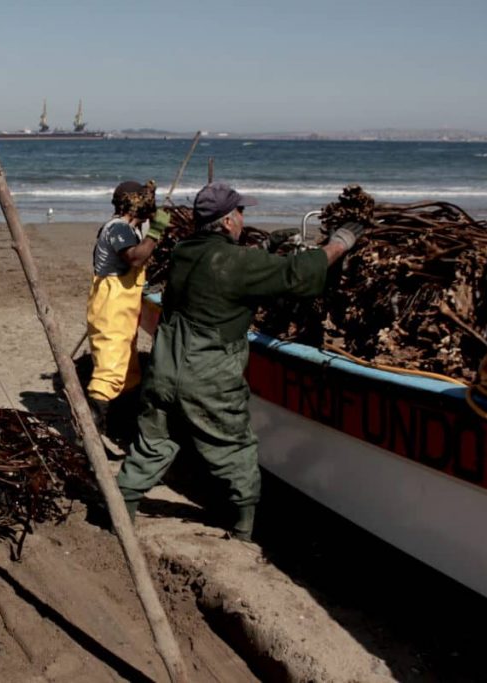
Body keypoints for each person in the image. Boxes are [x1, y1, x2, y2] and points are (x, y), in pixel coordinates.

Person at [115, 182, 365, 540]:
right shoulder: (238, 262)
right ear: (228, 220)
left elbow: (217, 268)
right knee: (234, 446)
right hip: (208, 372)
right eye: (241, 213)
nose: (244, 219)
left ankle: (121, 507)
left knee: (154, 440)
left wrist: (265, 247)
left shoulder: (184, 251)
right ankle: (243, 527)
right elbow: (299, 276)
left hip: (165, 366)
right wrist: (339, 242)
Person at [85, 180, 168, 427]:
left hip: (123, 309)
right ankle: (89, 436)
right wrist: (156, 231)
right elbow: (134, 258)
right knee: (109, 372)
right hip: (111, 307)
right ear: (132, 203)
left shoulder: (130, 230)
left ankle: (120, 427)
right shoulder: (118, 229)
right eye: (146, 200)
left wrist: (152, 227)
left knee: (128, 371)